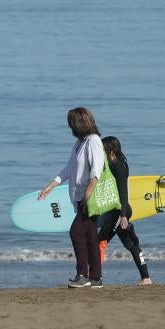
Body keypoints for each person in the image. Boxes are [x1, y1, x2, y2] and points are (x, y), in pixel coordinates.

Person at [38, 107, 105, 289]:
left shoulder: (93, 141)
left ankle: (82, 275)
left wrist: (87, 196)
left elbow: (96, 172)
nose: (70, 128)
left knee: (76, 232)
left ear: (79, 124)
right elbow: (68, 169)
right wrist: (50, 186)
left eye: (71, 124)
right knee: (90, 236)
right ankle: (96, 278)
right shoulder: (79, 144)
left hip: (88, 198)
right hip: (80, 197)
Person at [98, 136, 152, 285]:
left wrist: (123, 216)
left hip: (120, 211)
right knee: (131, 244)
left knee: (99, 241)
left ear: (110, 150)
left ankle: (96, 277)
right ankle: (146, 278)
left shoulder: (118, 167)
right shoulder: (115, 165)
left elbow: (123, 192)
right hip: (117, 210)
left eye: (102, 149)